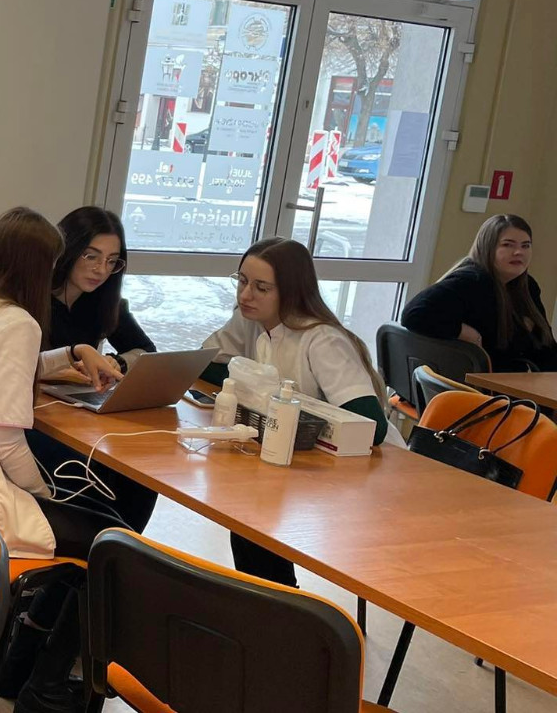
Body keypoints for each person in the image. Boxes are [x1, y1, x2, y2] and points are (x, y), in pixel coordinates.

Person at [0, 207, 129, 711]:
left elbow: (1, 364)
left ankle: (31, 669)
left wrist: (71, 352)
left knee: (99, 519)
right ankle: (47, 682)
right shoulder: (17, 322)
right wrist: (47, 494)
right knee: (114, 539)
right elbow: (10, 445)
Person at [203, 237, 388, 586]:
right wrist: (249, 381)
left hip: (357, 471)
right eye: (242, 281)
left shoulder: (321, 339)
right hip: (294, 459)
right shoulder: (253, 322)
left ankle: (280, 602)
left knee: (255, 518)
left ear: (291, 291)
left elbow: (372, 426)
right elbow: (207, 363)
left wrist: (274, 398)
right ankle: (268, 600)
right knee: (246, 515)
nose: (246, 295)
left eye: (261, 288)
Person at [28, 206, 160, 533]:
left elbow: (146, 349)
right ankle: (91, 547)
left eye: (112, 261)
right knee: (91, 472)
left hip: (79, 416)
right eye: (91, 256)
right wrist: (65, 366)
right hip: (35, 418)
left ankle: (120, 550)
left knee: (141, 472)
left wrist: (117, 361)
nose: (101, 270)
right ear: (68, 250)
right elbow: (20, 363)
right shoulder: (33, 297)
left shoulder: (102, 300)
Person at [402, 214, 556, 372]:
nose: (518, 252)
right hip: (478, 383)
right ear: (487, 248)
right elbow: (414, 314)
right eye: (507, 245)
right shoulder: (471, 280)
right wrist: (466, 333)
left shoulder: (527, 286)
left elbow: (545, 347)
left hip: (515, 380)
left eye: (526, 246)